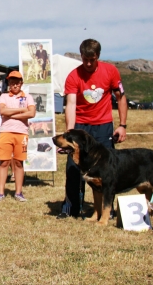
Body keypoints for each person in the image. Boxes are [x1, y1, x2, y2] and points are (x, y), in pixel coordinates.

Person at [57, 38, 128, 219]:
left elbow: (121, 98)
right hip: (81, 127)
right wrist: (69, 135)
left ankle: (107, 210)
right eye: (85, 59)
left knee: (107, 171)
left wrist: (122, 125)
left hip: (103, 127)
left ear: (98, 56)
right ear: (81, 56)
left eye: (92, 59)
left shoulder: (111, 71)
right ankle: (71, 208)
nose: (88, 63)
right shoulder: (74, 76)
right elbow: (71, 104)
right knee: (73, 169)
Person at [0, 71, 35, 202]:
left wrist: (11, 114)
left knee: (18, 162)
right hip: (6, 132)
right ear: (8, 83)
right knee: (4, 162)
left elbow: (32, 113)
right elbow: (2, 111)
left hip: (22, 133)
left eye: (17, 82)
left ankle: (18, 192)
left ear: (21, 83)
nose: (14, 84)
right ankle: (0, 192)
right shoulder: (4, 97)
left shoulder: (28, 97)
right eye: (11, 82)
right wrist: (22, 110)